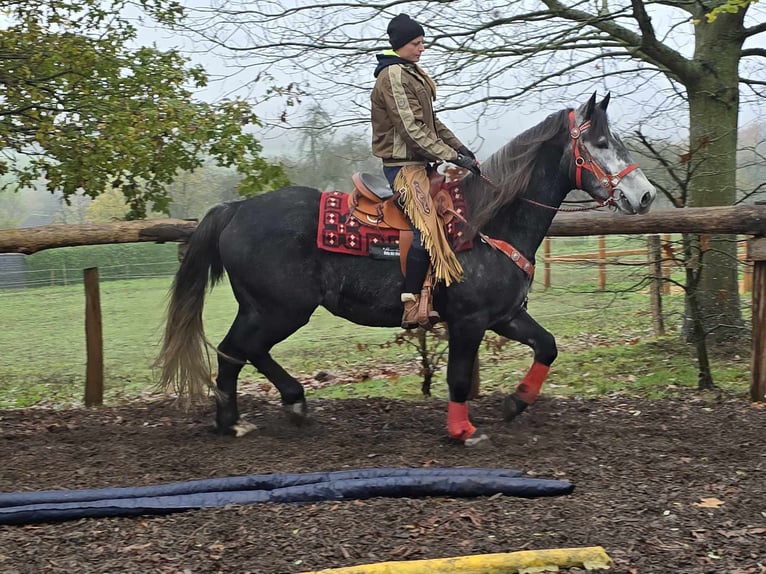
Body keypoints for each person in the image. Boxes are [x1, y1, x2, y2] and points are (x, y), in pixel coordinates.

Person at [371, 13, 481, 329]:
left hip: (422, 163)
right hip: (403, 167)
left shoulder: (410, 71)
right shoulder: (392, 75)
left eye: (422, 43)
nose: (422, 49)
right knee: (427, 226)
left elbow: (432, 123)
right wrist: (452, 157)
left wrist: (461, 150)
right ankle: (410, 302)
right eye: (416, 43)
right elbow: (410, 129)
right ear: (401, 44)